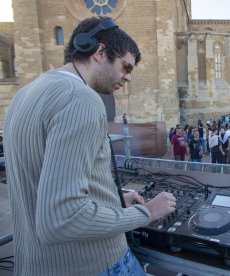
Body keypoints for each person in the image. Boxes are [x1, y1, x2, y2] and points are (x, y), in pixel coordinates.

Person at [3, 17, 176, 275]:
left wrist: (113, 200)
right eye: (126, 67)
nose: (128, 78)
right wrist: (145, 213)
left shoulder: (25, 93)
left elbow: (45, 179)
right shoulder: (80, 99)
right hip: (90, 265)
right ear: (100, 52)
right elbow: (62, 219)